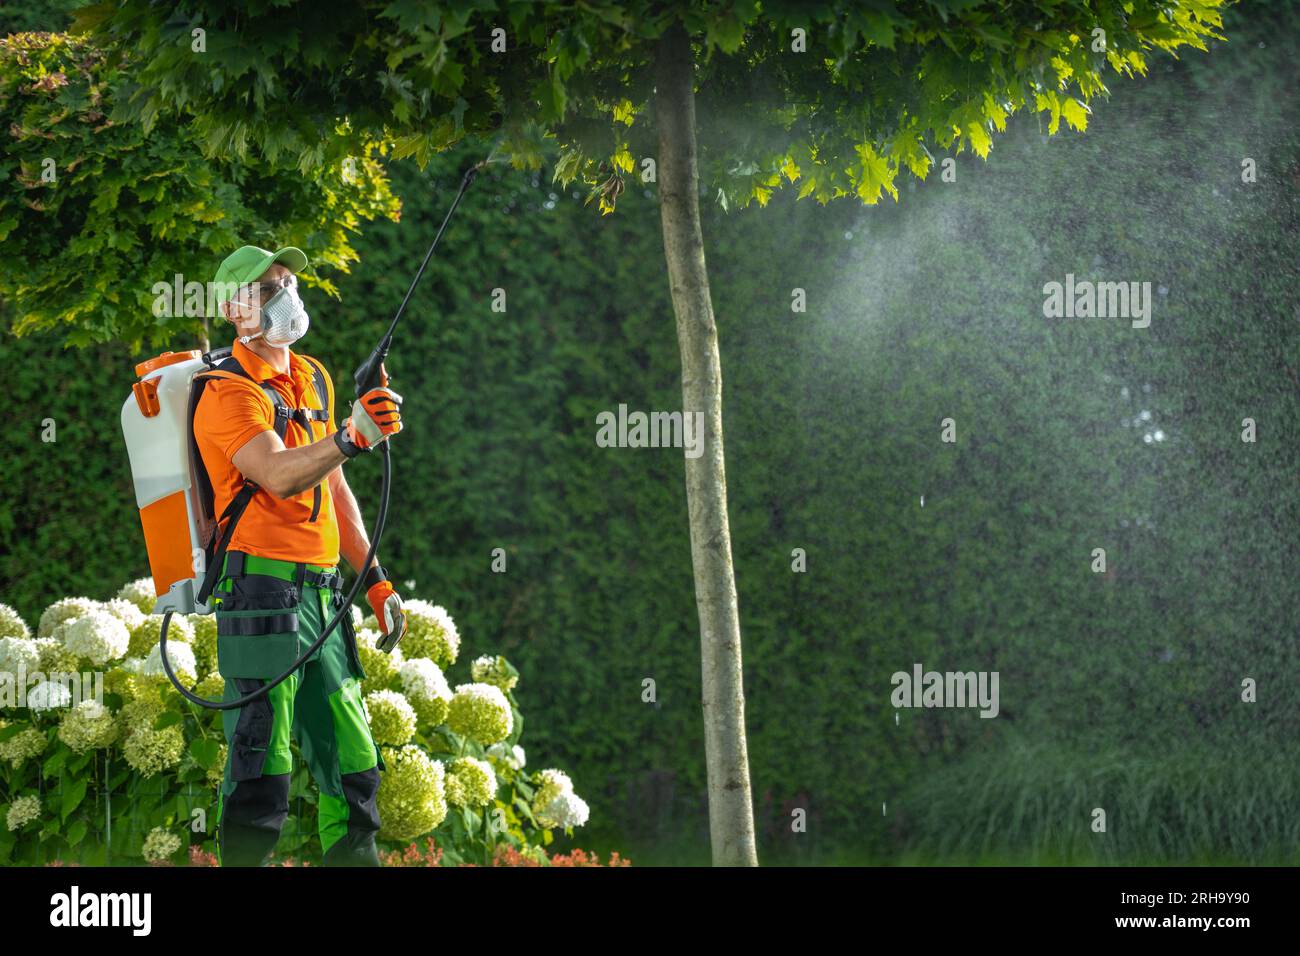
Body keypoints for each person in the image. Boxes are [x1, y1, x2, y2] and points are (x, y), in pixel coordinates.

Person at [193, 244, 407, 866]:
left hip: (323, 594)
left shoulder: (312, 375)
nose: (288, 295)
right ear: (236, 309)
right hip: (259, 593)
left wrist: (374, 581)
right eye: (268, 289)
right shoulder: (227, 392)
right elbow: (279, 473)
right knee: (264, 771)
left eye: (289, 282)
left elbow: (332, 484)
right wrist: (349, 435)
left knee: (354, 762)